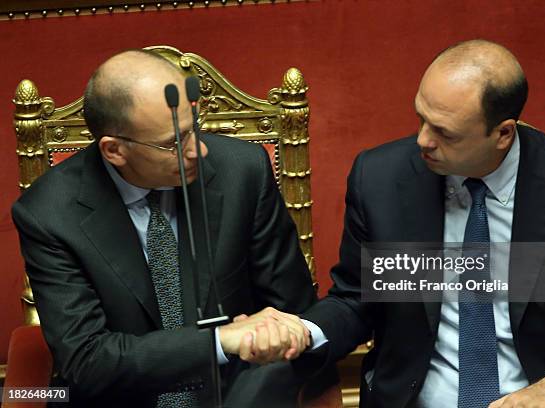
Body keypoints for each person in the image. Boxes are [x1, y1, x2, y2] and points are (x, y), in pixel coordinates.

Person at [290, 39, 545, 407]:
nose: (423, 140)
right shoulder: (381, 181)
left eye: (445, 133)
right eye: (420, 118)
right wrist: (303, 332)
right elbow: (357, 300)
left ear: (503, 133)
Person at [11, 49, 317, 407]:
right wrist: (220, 341)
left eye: (194, 129)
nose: (197, 151)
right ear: (114, 151)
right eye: (174, 142)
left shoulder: (243, 173)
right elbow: (87, 360)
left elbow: (294, 314)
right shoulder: (48, 215)